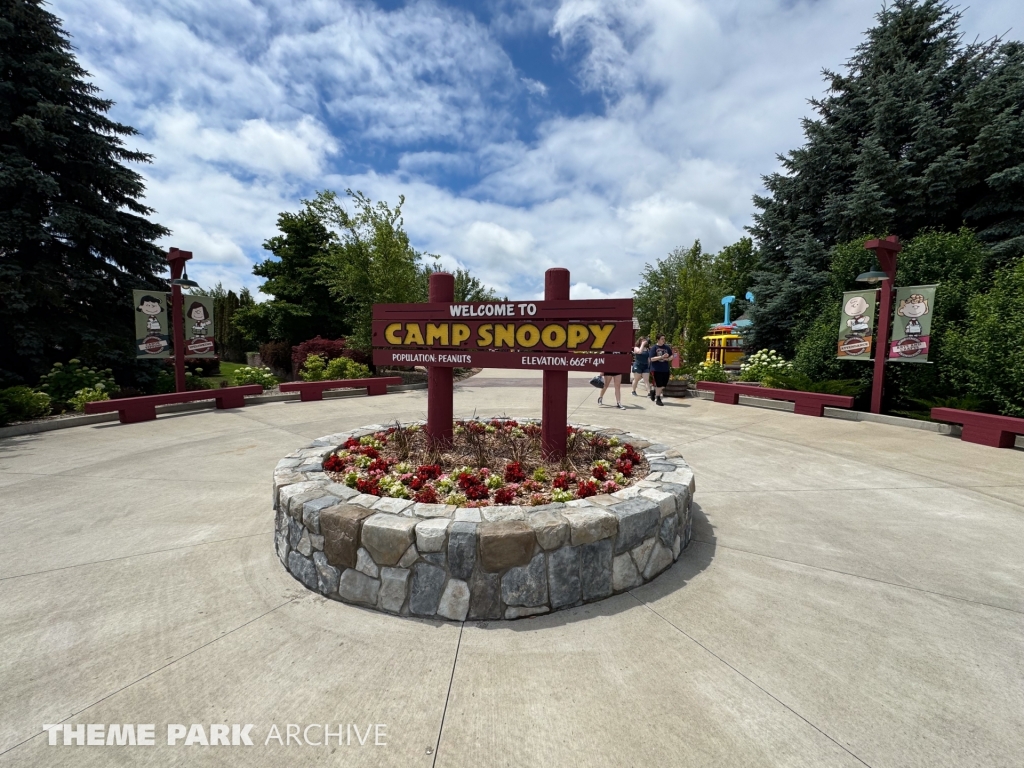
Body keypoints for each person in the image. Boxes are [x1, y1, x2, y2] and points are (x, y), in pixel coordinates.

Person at [648, 334, 672, 406]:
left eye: (664, 338)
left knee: (663, 385)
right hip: (657, 369)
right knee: (659, 384)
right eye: (662, 339)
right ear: (658, 339)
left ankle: (653, 391)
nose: (663, 340)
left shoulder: (667, 347)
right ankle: (658, 398)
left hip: (665, 368)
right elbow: (651, 359)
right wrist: (661, 357)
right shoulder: (654, 348)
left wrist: (669, 358)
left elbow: (672, 355)